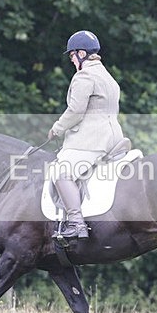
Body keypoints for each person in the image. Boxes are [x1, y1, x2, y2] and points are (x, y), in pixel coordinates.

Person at [47, 30, 125, 238]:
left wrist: (57, 128)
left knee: (60, 172)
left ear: (81, 53)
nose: (71, 60)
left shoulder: (84, 76)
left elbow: (75, 111)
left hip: (92, 139)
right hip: (114, 136)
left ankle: (76, 223)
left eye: (72, 55)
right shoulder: (107, 77)